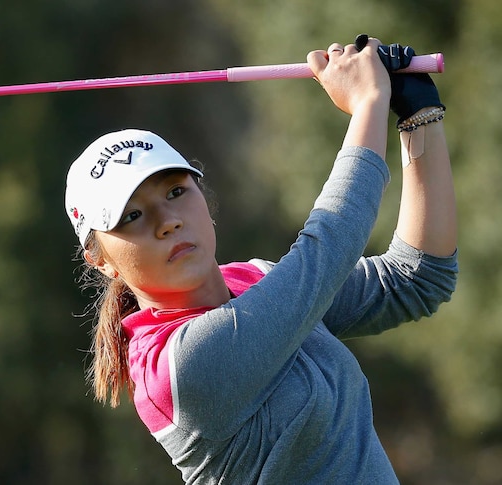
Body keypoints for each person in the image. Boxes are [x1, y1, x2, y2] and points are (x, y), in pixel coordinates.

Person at [63, 36, 457, 484]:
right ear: (101, 261)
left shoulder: (255, 280)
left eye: (176, 192)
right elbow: (329, 246)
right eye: (132, 216)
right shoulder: (180, 369)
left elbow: (415, 277)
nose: (167, 221)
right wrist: (368, 102)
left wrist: (419, 115)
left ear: (204, 198)